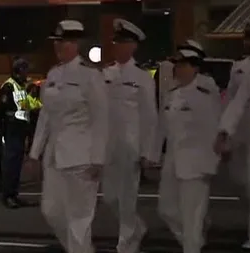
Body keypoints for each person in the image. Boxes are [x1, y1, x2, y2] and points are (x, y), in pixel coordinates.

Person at [29, 20, 109, 253]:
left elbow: (101, 118)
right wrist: (35, 152)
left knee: (79, 220)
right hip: (54, 156)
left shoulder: (90, 75)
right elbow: (46, 116)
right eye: (56, 42)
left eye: (62, 42)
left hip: (81, 156)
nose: (57, 47)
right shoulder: (53, 74)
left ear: (74, 44)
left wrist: (98, 158)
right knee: (51, 211)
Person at [154, 44, 221, 253]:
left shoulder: (204, 93)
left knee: (191, 218)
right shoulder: (172, 94)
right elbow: (162, 128)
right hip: (173, 162)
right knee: (166, 210)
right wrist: (154, 154)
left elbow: (213, 127)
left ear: (194, 68)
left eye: (183, 65)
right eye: (177, 65)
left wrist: (212, 162)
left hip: (196, 164)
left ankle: (192, 246)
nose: (178, 69)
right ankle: (194, 243)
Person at [102, 18, 158, 253]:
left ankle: (125, 243)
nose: (118, 46)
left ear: (133, 46)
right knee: (110, 197)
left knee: (126, 198)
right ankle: (136, 227)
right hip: (107, 145)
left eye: (123, 42)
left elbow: (150, 117)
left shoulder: (142, 77)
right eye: (116, 41)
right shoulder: (104, 74)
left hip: (130, 146)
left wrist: (149, 152)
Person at [214, 22, 250, 250]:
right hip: (243, 129)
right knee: (240, 181)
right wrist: (224, 131)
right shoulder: (240, 68)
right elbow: (234, 102)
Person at [0, 57, 32, 208]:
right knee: (11, 164)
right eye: (25, 70)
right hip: (11, 130)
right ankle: (8, 196)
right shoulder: (9, 87)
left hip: (20, 129)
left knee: (17, 164)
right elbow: (1, 110)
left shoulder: (21, 86)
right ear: (19, 70)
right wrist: (2, 129)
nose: (27, 73)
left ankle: (14, 194)